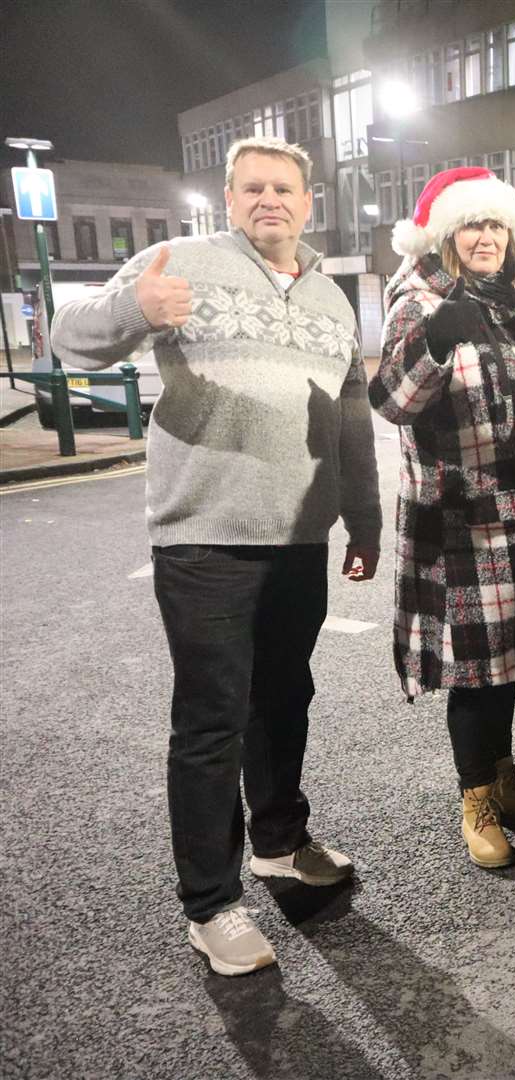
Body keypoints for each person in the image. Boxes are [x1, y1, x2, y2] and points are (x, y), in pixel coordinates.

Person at [51, 136, 381, 976]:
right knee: (210, 721)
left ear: (310, 202)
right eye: (253, 189)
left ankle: (277, 843)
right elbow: (68, 338)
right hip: (204, 537)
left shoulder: (332, 301)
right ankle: (212, 903)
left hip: (299, 536)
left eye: (285, 189)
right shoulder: (179, 260)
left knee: (284, 699)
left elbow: (348, 420)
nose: (270, 200)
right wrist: (134, 310)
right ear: (230, 199)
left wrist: (365, 518)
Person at [372, 166, 515, 871]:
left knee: (506, 661)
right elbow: (392, 401)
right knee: (474, 668)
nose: (486, 237)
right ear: (443, 236)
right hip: (464, 520)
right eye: (472, 224)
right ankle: (475, 798)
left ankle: (502, 777)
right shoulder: (418, 298)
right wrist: (435, 342)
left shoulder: (511, 304)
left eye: (497, 224)